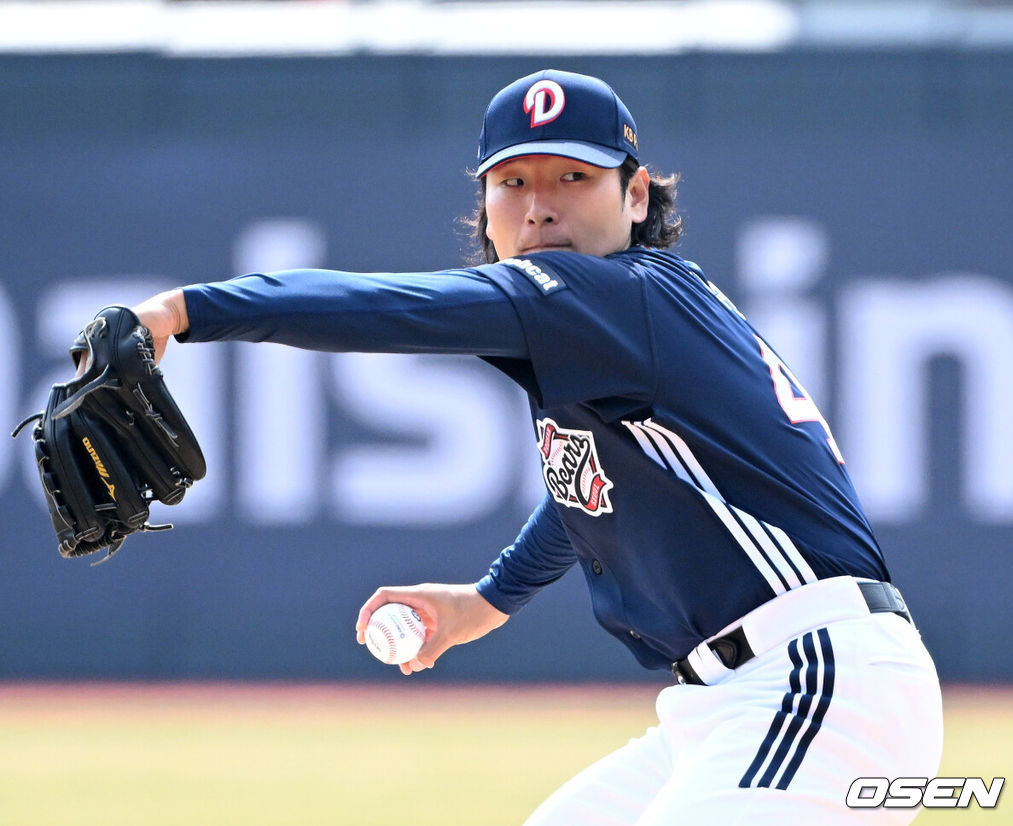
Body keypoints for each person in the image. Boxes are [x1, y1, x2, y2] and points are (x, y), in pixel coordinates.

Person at [121, 69, 942, 824]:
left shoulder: (617, 296)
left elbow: (387, 306)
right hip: (728, 703)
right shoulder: (616, 328)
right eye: (513, 182)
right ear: (484, 207)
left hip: (817, 686)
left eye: (573, 178)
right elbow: (593, 489)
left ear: (636, 194)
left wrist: (183, 312)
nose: (540, 206)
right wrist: (484, 602)